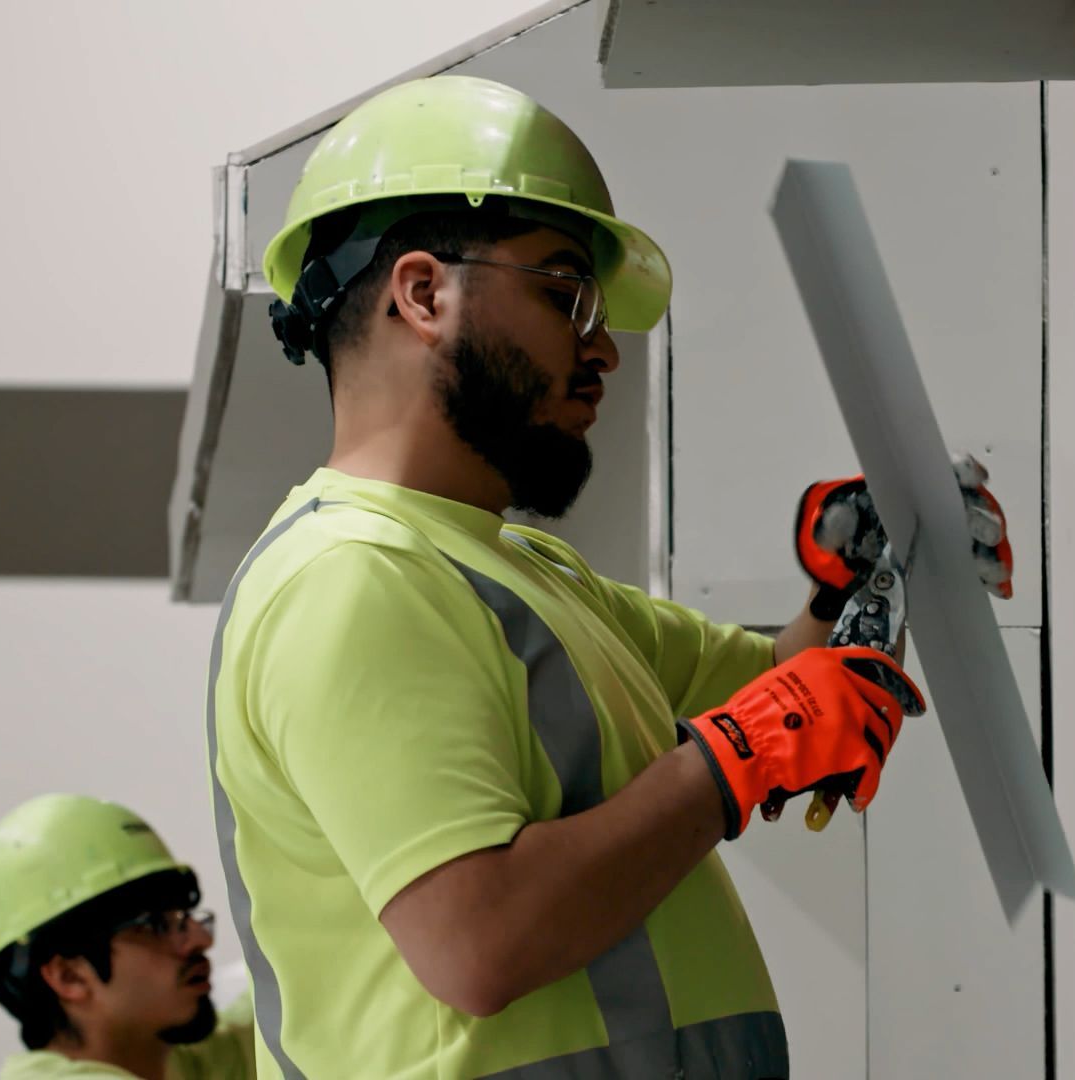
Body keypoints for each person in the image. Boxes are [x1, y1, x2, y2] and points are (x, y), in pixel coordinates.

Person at [208, 74, 1010, 1079]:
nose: (603, 352)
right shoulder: (350, 579)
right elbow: (478, 939)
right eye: (564, 294)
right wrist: (733, 761)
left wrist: (857, 577)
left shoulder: (517, 570)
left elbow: (776, 685)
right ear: (422, 292)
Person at [0, 794, 254, 1080]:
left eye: (184, 917)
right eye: (155, 926)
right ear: (69, 976)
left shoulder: (188, 1065)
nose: (200, 938)